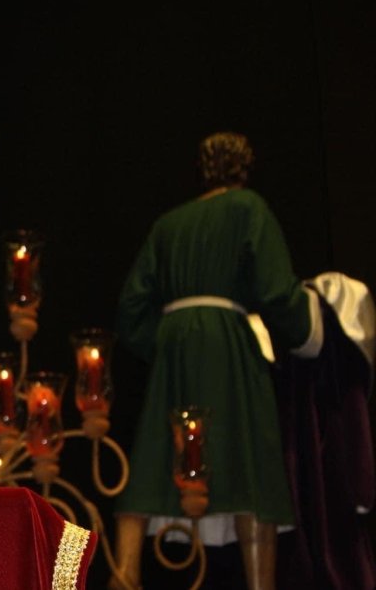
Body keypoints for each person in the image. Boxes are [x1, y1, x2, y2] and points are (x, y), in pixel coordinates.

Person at [110, 132, 322, 590]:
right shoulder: (249, 208)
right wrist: (311, 328)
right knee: (247, 461)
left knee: (156, 449)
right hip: (228, 348)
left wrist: (164, 344)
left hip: (175, 349)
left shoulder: (167, 225)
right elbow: (275, 291)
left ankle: (124, 573)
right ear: (243, 168)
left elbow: (130, 309)